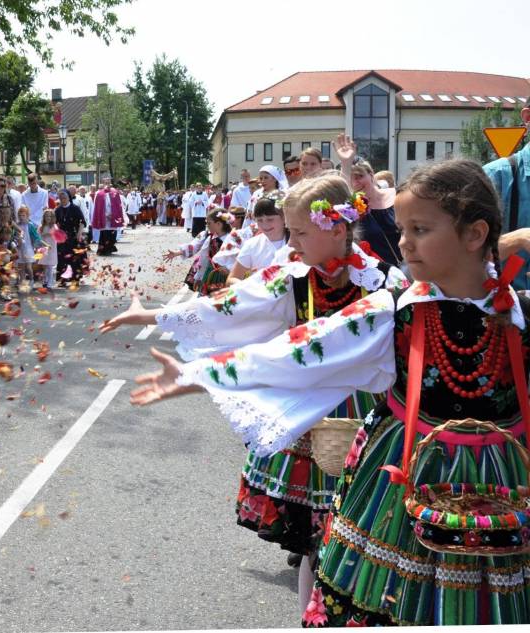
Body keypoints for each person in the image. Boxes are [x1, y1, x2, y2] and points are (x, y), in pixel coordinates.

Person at [122, 160, 530, 627]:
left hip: (508, 478)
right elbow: (298, 350)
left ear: (475, 234)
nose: (403, 242)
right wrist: (198, 374)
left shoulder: (519, 315)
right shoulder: (394, 310)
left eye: (419, 229)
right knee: (397, 597)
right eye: (402, 229)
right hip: (406, 474)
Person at [102, 174, 406, 619]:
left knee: (360, 537)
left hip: (368, 420)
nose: (291, 243)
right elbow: (229, 305)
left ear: (338, 228)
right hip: (305, 415)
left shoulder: (384, 282)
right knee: (314, 539)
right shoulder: (293, 276)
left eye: (299, 232)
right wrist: (153, 315)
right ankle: (309, 617)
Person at [484, 97, 530, 290]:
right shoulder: (494, 176)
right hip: (505, 304)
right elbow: (457, 255)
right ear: (528, 117)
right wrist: (519, 239)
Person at [165, 208, 232, 295]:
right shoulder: (206, 235)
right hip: (207, 272)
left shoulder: (232, 239)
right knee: (204, 297)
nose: (207, 225)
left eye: (209, 223)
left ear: (219, 224)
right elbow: (193, 246)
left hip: (224, 275)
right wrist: (176, 253)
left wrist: (229, 268)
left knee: (220, 299)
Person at [226, 198, 292, 284]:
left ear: (284, 218)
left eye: (270, 219)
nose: (265, 224)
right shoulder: (252, 245)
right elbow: (232, 278)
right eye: (260, 220)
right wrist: (252, 287)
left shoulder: (296, 242)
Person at [54, 189, 86, 282]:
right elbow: (55, 223)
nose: (63, 200)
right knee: (62, 258)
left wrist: (79, 233)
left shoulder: (75, 208)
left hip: (74, 235)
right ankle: (62, 279)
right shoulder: (58, 210)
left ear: (68, 198)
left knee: (74, 258)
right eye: (61, 198)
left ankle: (75, 278)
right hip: (62, 238)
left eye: (64, 198)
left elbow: (82, 222)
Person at [14, 205, 44, 288]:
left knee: (28, 266)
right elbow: (14, 236)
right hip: (20, 249)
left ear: (27, 216)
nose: (21, 217)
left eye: (23, 215)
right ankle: (22, 281)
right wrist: (16, 242)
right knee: (21, 267)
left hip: (28, 248)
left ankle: (31, 279)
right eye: (20, 215)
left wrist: (37, 246)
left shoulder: (30, 225)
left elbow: (36, 237)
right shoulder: (17, 225)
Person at [92, 178, 123, 255]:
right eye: (106, 183)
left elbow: (118, 206)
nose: (107, 184)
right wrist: (105, 215)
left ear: (110, 183)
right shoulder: (99, 194)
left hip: (113, 217)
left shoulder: (115, 193)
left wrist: (113, 215)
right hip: (104, 218)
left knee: (112, 233)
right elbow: (98, 208)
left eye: (108, 182)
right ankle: (103, 250)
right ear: (103, 184)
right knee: (104, 234)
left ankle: (110, 249)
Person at [37, 208, 59, 289]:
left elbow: (57, 235)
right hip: (44, 248)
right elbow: (38, 237)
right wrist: (43, 236)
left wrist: (50, 234)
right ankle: (45, 280)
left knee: (50, 266)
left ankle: (50, 282)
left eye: (50, 216)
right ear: (44, 217)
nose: (48, 218)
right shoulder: (41, 227)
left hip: (52, 248)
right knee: (45, 265)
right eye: (46, 216)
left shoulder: (54, 226)